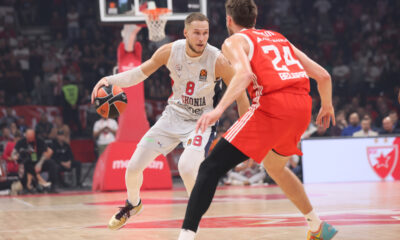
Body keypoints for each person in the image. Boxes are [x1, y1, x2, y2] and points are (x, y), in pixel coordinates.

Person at [177, 1, 337, 240]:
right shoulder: (278, 37)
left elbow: (244, 74)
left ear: (229, 20)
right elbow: (323, 76)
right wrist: (327, 104)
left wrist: (218, 110)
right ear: (254, 17)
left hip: (272, 107)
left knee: (210, 167)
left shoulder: (234, 41)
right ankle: (316, 226)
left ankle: (186, 236)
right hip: (303, 107)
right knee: (275, 168)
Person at [91, 12, 250, 230]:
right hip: (171, 119)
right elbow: (139, 73)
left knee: (186, 167)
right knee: (133, 168)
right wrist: (108, 79)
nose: (201, 38)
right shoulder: (170, 51)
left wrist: (248, 133)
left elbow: (241, 95)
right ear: (186, 33)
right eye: (196, 33)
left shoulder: (218, 60)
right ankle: (133, 204)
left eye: (205, 33)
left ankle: (193, 217)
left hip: (200, 123)